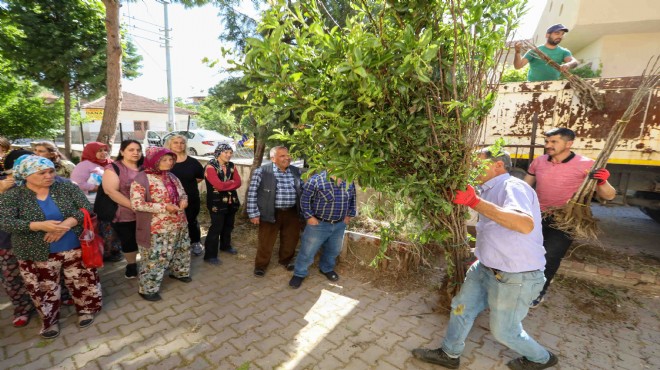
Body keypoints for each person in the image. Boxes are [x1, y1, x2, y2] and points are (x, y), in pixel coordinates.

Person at [412, 148, 557, 370]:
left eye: (477, 163)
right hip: (485, 267)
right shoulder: (486, 188)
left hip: (515, 275)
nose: (471, 168)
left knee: (505, 331)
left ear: (498, 165)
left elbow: (524, 224)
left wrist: (474, 202)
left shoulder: (513, 186)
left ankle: (542, 358)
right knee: (461, 307)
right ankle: (449, 354)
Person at [0, 155, 102, 339]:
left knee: (82, 280)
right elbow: (6, 222)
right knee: (43, 288)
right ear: (26, 175)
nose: (48, 176)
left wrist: (64, 226)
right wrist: (39, 225)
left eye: (51, 171)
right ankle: (50, 321)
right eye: (42, 173)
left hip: (73, 246)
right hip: (35, 252)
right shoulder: (13, 195)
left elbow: (85, 207)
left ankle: (86, 310)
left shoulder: (66, 186)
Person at [524, 127, 616, 307]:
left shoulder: (586, 164)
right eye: (547, 141)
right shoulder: (539, 162)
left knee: (551, 255)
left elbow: (609, 195)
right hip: (537, 215)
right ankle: (523, 285)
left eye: (553, 142)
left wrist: (602, 181)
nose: (548, 146)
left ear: (569, 144)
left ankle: (538, 291)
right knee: (529, 253)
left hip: (566, 219)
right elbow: (525, 187)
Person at [130, 147, 190, 302]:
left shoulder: (172, 176)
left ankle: (179, 272)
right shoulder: (142, 178)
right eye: (164, 160)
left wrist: (184, 200)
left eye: (171, 159)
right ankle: (148, 288)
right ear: (154, 160)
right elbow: (137, 203)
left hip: (179, 222)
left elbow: (183, 192)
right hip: (156, 226)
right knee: (155, 257)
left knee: (181, 249)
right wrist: (164, 207)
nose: (169, 162)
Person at [288, 170, 356, 289]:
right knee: (307, 251)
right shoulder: (316, 180)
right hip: (318, 224)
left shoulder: (349, 180)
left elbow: (352, 200)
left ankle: (326, 268)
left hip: (339, 225)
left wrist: (349, 216)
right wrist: (309, 217)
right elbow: (304, 200)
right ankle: (299, 273)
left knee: (334, 250)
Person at [247, 146, 303, 277]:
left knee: (291, 238)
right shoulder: (262, 171)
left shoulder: (295, 171)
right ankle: (261, 265)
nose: (287, 158)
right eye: (282, 156)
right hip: (270, 211)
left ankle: (286, 260)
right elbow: (252, 193)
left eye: (287, 155)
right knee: (266, 240)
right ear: (273, 159)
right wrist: (253, 213)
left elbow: (302, 190)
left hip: (292, 212)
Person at [70, 142, 123, 263]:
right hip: (91, 204)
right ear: (91, 152)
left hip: (110, 202)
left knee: (110, 226)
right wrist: (100, 187)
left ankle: (112, 251)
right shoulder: (84, 165)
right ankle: (99, 252)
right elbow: (77, 184)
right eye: (99, 150)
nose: (103, 153)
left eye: (105, 150)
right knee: (97, 228)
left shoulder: (110, 164)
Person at [0, 149, 36, 328]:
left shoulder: (40, 181)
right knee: (13, 277)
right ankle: (22, 308)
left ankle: (54, 300)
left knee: (43, 272)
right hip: (7, 241)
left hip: (38, 238)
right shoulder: (3, 185)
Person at [101, 140, 143, 279]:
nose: (135, 153)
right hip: (124, 213)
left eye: (138, 149)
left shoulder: (144, 167)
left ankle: (147, 263)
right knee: (129, 241)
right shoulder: (113, 168)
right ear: (122, 152)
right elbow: (111, 191)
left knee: (145, 239)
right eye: (131, 150)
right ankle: (131, 265)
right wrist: (135, 207)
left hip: (146, 213)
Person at [164, 134, 205, 256]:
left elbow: (199, 177)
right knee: (173, 223)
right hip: (170, 199)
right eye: (175, 142)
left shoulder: (192, 162)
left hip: (191, 197)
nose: (179, 145)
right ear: (170, 144)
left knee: (191, 220)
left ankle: (195, 242)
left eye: (182, 142)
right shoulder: (165, 161)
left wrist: (185, 186)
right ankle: (175, 246)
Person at [203, 144, 242, 265]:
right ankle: (210, 255)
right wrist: (231, 183)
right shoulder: (210, 167)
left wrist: (224, 184)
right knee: (216, 228)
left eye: (230, 153)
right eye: (226, 152)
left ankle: (225, 246)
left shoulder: (231, 165)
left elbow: (239, 182)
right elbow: (218, 186)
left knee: (229, 225)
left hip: (231, 201)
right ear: (219, 153)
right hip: (217, 203)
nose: (229, 155)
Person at [514, 24, 579, 82]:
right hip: (532, 86)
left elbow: (574, 62)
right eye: (557, 33)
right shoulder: (535, 50)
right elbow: (518, 66)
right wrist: (517, 52)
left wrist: (568, 65)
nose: (560, 36)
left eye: (562, 34)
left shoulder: (564, 52)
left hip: (552, 87)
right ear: (547, 35)